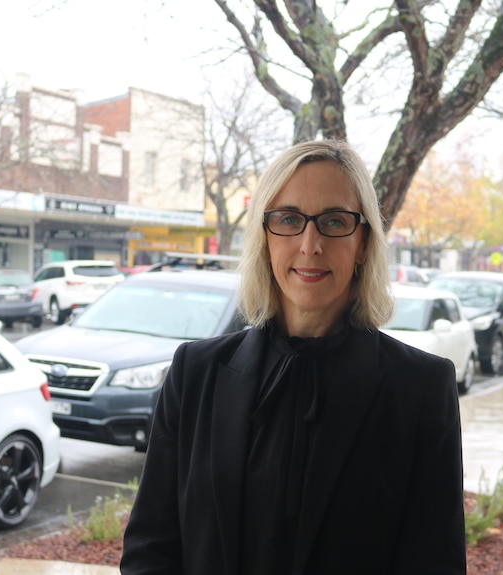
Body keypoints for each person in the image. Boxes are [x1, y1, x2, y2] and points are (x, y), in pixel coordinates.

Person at [120, 139, 466, 575]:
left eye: (335, 221)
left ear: (363, 243)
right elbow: (150, 549)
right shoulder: (195, 374)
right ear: (264, 238)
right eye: (288, 219)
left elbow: (434, 562)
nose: (310, 244)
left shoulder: (420, 389)